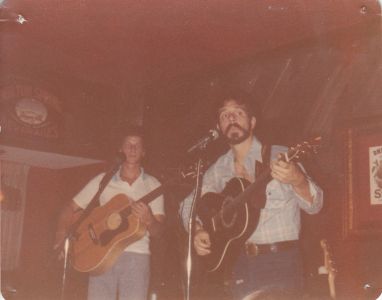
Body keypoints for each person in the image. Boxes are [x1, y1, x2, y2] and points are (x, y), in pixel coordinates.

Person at [180, 91, 323, 300]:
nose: (231, 118)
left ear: (253, 122)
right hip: (239, 263)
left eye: (238, 113)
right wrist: (198, 230)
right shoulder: (218, 168)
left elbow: (315, 204)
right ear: (219, 127)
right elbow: (187, 205)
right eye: (224, 115)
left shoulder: (280, 155)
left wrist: (298, 179)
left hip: (280, 261)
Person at [54, 126, 165, 300]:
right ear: (120, 149)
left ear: (144, 152)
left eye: (137, 145)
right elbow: (69, 208)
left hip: (137, 257)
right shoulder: (103, 180)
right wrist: (61, 234)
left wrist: (149, 220)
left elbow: (159, 232)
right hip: (99, 254)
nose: (133, 149)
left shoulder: (154, 185)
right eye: (128, 144)